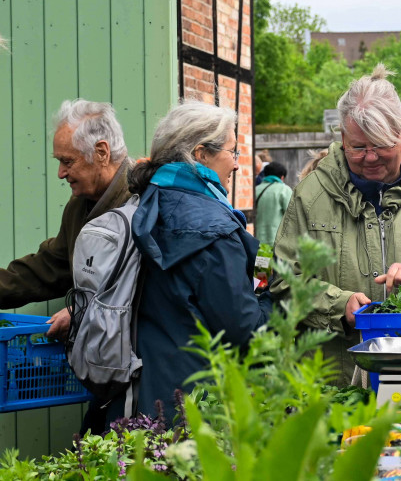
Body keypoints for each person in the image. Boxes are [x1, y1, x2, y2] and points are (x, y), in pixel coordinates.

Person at [271, 64, 401, 387]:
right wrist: (338, 306)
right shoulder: (311, 195)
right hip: (335, 389)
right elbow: (284, 280)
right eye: (358, 147)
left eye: (380, 145)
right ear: (342, 137)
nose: (369, 157)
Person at [118, 100, 272, 424]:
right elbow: (247, 331)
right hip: (203, 406)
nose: (237, 165)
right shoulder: (214, 231)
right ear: (201, 154)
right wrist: (269, 285)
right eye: (233, 152)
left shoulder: (147, 202)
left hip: (148, 393)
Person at [0, 99, 132, 338]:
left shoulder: (145, 201)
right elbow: (49, 268)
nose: (61, 173)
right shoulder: (79, 206)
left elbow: (146, 291)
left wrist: (82, 312)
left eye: (68, 161)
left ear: (101, 152)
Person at [254, 161, 293, 246]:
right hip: (277, 242)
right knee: (277, 260)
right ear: (282, 177)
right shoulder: (284, 190)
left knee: (262, 259)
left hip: (258, 241)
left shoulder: (255, 190)